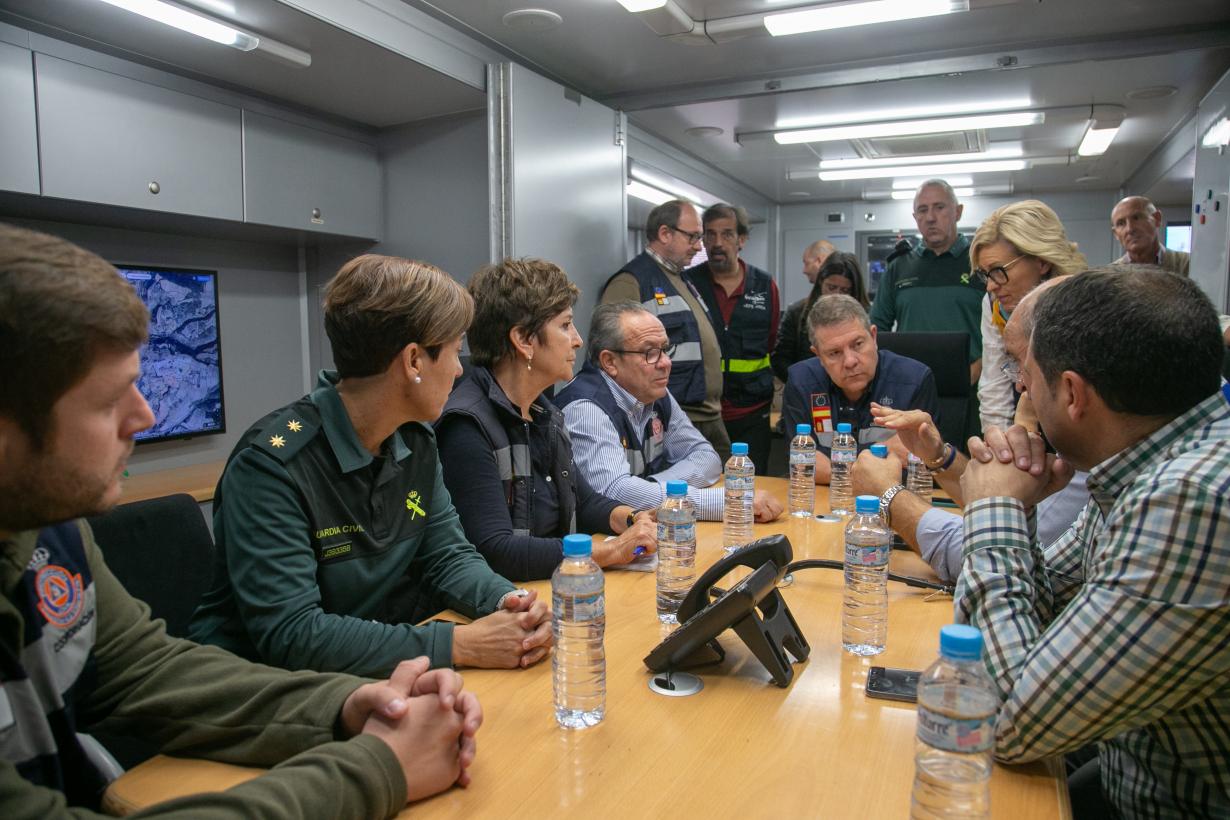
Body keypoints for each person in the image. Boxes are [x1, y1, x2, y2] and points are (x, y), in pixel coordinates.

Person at [0, 225, 483, 818]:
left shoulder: (50, 532)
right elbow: (290, 631)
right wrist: (376, 768)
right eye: (108, 401)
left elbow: (149, 673)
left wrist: (350, 705)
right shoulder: (273, 460)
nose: (144, 415)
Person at [190, 254, 552, 676]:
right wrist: (459, 644)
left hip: (357, 671)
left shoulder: (414, 441)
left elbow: (447, 555)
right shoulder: (273, 466)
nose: (458, 371)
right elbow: (293, 633)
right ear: (414, 361)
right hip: (256, 692)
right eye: (455, 352)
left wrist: (509, 604)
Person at [956, 267, 1229, 818]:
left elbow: (1010, 720)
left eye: (1027, 374)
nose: (1020, 389)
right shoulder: (1143, 467)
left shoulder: (1191, 498)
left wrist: (993, 508)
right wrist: (1022, 507)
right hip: (1118, 769)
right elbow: (1056, 619)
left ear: (1074, 393)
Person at [851, 279, 1088, 583]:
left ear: (1072, 389)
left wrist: (886, 497)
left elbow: (985, 562)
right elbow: (1003, 531)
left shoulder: (1092, 474)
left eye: (1021, 366)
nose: (1020, 386)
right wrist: (938, 456)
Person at [436, 258, 658, 582]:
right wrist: (610, 552)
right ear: (524, 340)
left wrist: (633, 519)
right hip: (508, 607)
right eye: (566, 325)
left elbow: (583, 501)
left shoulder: (544, 412)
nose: (578, 340)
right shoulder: (467, 426)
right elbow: (497, 551)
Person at [557, 302, 784, 523]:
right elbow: (614, 491)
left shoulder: (655, 393)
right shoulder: (586, 408)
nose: (666, 363)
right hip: (595, 546)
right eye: (650, 353)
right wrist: (724, 502)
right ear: (610, 362)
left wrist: (652, 487)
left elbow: (706, 457)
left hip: (643, 533)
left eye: (666, 349)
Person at [601, 199, 729, 461]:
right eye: (693, 236)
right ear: (664, 233)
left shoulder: (682, 278)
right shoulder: (632, 281)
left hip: (707, 416)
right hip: (673, 416)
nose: (700, 246)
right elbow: (612, 358)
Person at [782, 295, 939, 484]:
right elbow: (804, 465)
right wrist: (883, 452)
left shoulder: (915, 381)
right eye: (834, 353)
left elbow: (921, 465)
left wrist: (832, 469)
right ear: (819, 356)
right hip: (826, 502)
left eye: (858, 344)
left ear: (873, 337)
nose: (850, 361)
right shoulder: (801, 382)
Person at [970, 199, 1088, 432]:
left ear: (1042, 261)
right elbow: (995, 385)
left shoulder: (1083, 301)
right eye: (986, 275)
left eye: (998, 271)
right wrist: (1001, 448)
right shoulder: (995, 303)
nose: (991, 286)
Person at [685, 203, 780, 474]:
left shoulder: (764, 285)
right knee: (703, 485)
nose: (717, 243)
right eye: (710, 235)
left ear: (741, 240)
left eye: (726, 234)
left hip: (751, 408)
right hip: (700, 412)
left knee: (753, 483)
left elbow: (770, 340)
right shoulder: (688, 283)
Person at [869, 179, 985, 386]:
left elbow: (1004, 329)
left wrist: (981, 367)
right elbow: (876, 330)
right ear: (915, 218)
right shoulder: (899, 267)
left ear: (957, 212)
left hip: (973, 387)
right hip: (910, 386)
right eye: (922, 210)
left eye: (939, 207)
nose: (930, 218)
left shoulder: (980, 262)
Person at [772, 250, 869, 382]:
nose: (837, 295)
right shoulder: (797, 312)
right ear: (820, 283)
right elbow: (780, 360)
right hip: (807, 386)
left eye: (845, 290)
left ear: (854, 291)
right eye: (831, 287)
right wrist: (803, 384)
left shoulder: (863, 314)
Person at [1110, 195, 1190, 275]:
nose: (1130, 229)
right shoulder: (1110, 275)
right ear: (1116, 234)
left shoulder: (1188, 264)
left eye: (1136, 218)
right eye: (1121, 223)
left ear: (1157, 219)